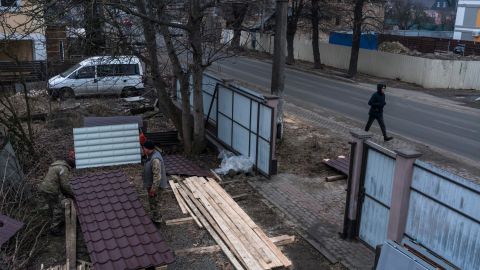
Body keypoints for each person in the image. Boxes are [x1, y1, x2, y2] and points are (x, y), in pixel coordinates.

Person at [38, 151, 75, 235]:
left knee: (52, 205)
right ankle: (54, 229)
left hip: (44, 188)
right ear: (71, 165)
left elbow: (58, 182)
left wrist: (65, 193)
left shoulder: (56, 165)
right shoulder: (63, 169)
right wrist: (72, 194)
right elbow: (65, 185)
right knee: (59, 208)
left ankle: (53, 220)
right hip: (51, 190)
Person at [142, 140, 168, 223]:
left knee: (155, 203)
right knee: (153, 202)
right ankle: (155, 217)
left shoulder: (155, 159)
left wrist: (153, 190)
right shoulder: (151, 154)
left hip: (156, 186)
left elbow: (157, 177)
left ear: (148, 149)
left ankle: (157, 220)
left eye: (144, 148)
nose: (143, 149)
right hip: (153, 184)